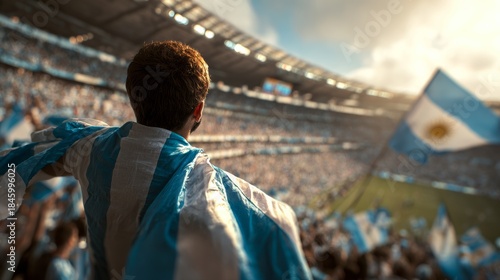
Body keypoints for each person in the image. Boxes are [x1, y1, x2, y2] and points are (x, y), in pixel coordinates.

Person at [0, 41, 311, 279]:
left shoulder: (90, 148)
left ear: (131, 95)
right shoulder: (234, 200)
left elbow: (20, 164)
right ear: (198, 111)